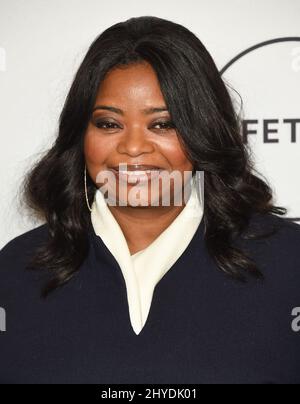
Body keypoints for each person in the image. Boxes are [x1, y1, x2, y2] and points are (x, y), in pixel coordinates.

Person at [0, 16, 300, 384]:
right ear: (80, 136)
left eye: (163, 124)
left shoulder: (290, 263)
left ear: (202, 131)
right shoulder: (16, 270)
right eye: (109, 124)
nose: (134, 147)